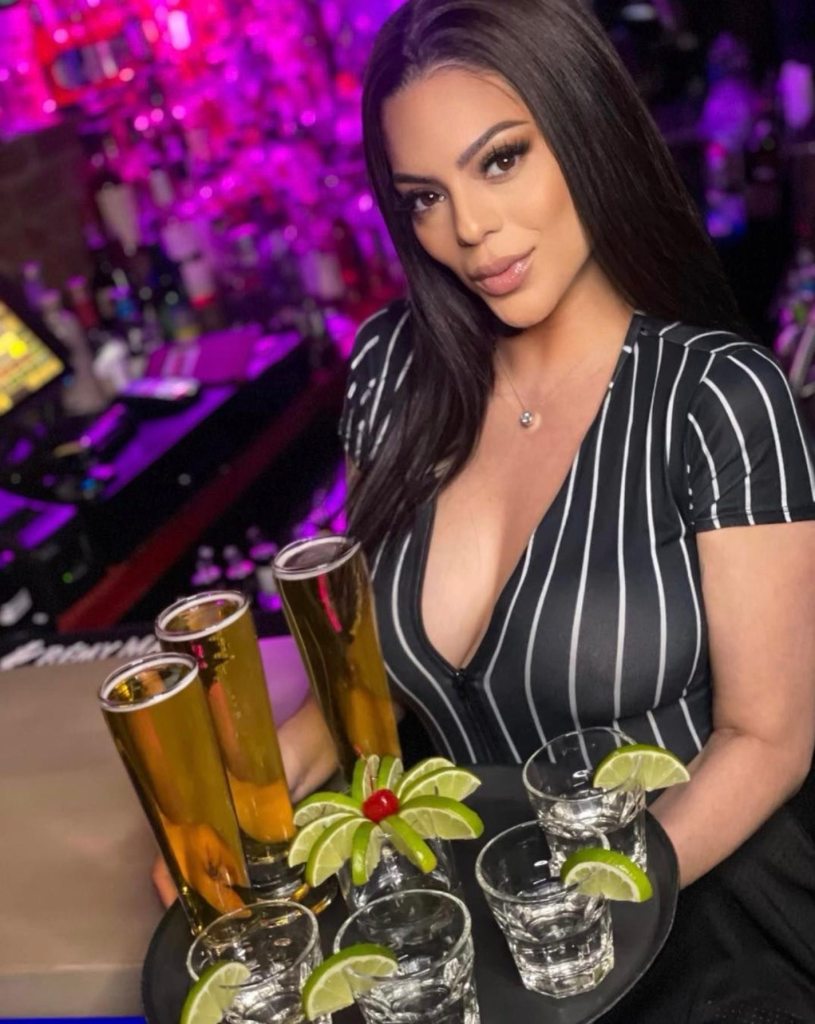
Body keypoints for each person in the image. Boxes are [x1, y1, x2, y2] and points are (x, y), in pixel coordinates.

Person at [158, 0, 815, 1018]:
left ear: (585, 131)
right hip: (467, 940)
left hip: (696, 921)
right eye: (424, 196)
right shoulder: (391, 373)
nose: (467, 230)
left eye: (500, 161)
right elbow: (369, 687)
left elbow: (767, 739)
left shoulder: (716, 398)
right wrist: (236, 822)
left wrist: (582, 912)